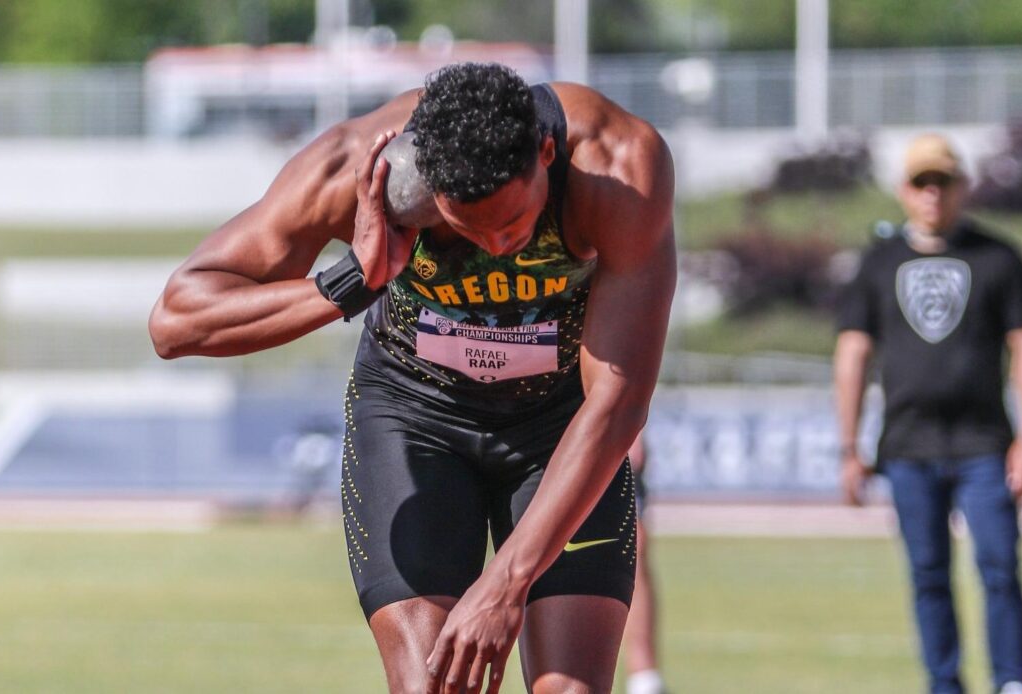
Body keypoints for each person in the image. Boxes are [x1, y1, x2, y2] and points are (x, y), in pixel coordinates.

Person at [149, 62, 676, 693]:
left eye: (513, 224)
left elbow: (617, 402)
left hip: (558, 422)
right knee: (433, 684)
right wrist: (352, 281)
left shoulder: (619, 167)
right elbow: (177, 321)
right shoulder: (358, 167)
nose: (497, 246)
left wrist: (504, 584)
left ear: (545, 152)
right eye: (465, 227)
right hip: (413, 413)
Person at [833, 133, 1022, 694]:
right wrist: (849, 447)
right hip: (907, 446)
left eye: (943, 183)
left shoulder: (997, 257)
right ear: (904, 190)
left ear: (962, 187)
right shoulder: (878, 262)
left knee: (999, 565)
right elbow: (853, 354)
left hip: (984, 443)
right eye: (922, 183)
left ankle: (1012, 680)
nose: (933, 195)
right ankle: (943, 682)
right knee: (929, 575)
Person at [624, 431, 669, 694]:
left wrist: (634, 427)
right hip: (548, 419)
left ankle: (644, 677)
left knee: (634, 545)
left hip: (606, 412)